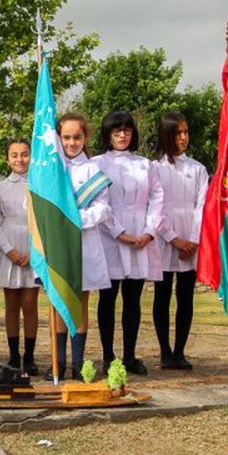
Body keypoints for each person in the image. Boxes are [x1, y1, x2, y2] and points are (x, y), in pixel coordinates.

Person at [92, 111, 164, 375]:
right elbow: (99, 200)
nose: (122, 135)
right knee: (108, 297)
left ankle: (130, 354)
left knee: (133, 298)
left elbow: (157, 197)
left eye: (126, 130)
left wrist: (148, 231)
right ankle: (108, 355)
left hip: (140, 234)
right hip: (110, 234)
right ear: (108, 134)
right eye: (116, 131)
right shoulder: (97, 163)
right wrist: (118, 232)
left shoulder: (146, 165)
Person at [53, 113, 112, 379]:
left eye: (77, 137)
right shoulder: (50, 169)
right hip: (56, 244)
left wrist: (76, 220)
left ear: (84, 138)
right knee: (57, 301)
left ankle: (77, 363)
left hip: (84, 242)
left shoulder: (93, 170)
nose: (72, 142)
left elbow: (103, 207)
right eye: (66, 137)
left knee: (79, 304)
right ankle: (58, 362)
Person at [148, 112, 208, 371]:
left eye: (186, 132)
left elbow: (202, 206)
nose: (183, 138)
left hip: (190, 239)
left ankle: (180, 352)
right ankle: (165, 351)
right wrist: (173, 238)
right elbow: (153, 208)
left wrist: (192, 240)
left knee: (185, 297)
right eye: (177, 133)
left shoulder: (197, 169)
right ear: (166, 134)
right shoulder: (154, 168)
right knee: (162, 296)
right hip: (164, 238)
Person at [0, 139, 40, 375]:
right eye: (14, 155)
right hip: (9, 247)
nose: (20, 160)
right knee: (11, 305)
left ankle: (30, 356)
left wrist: (36, 251)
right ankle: (13, 354)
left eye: (24, 154)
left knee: (30, 304)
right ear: (7, 159)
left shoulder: (40, 185)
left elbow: (45, 221)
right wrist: (8, 250)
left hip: (34, 247)